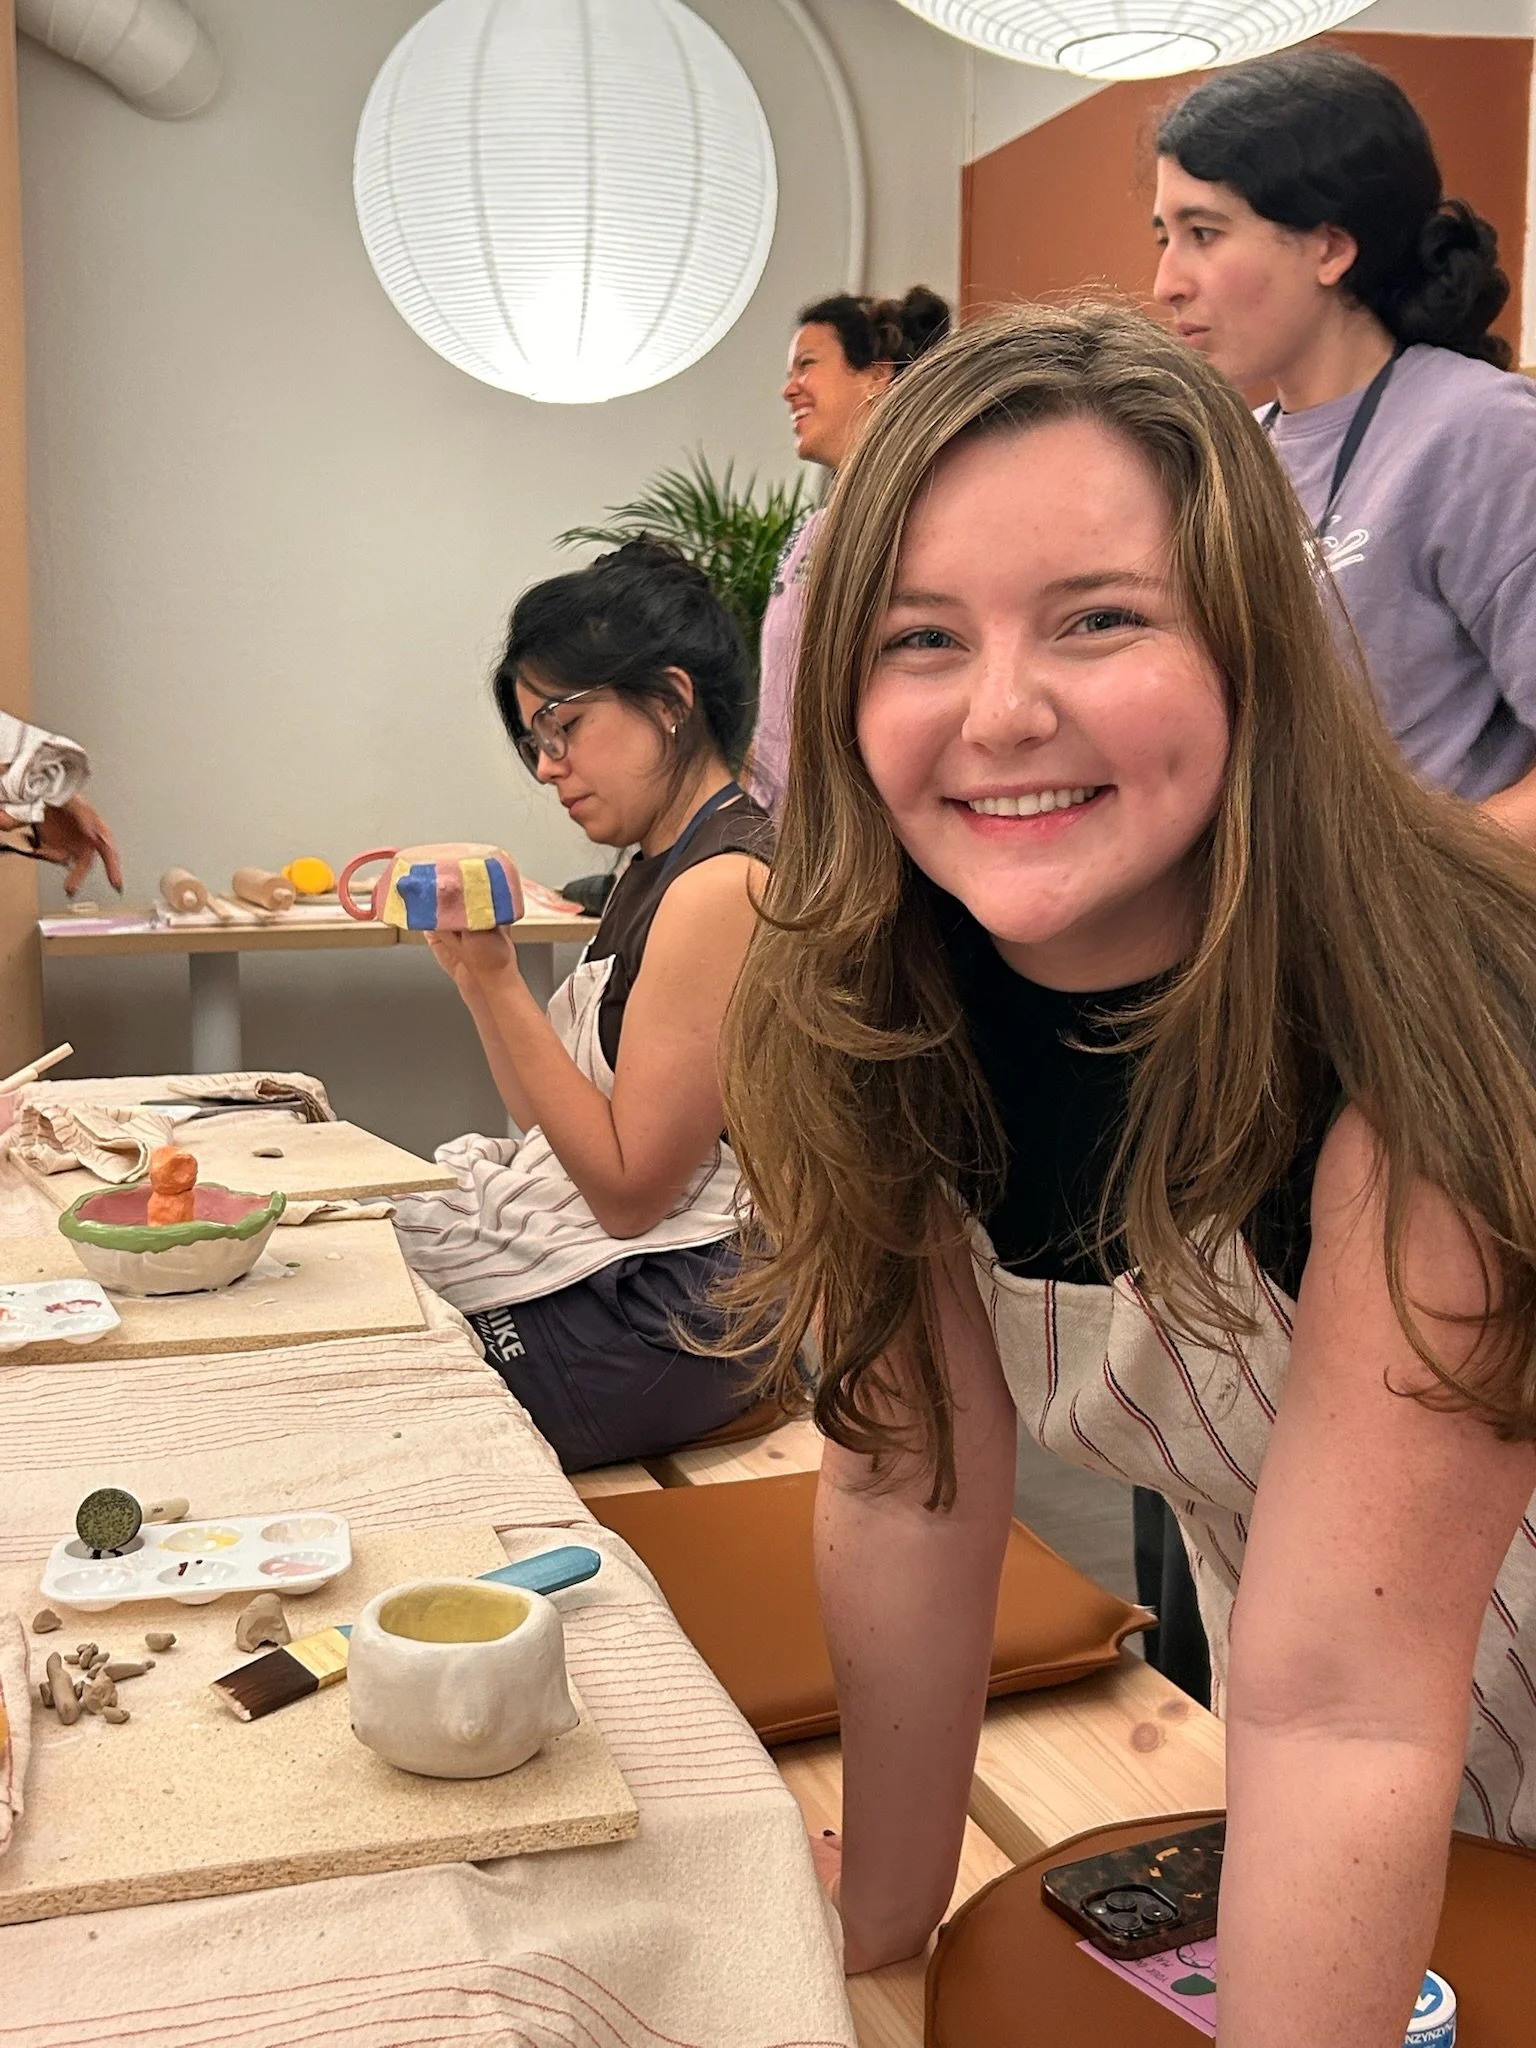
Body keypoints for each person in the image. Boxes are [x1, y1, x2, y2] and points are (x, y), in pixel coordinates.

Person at [717, 300, 1536, 2047]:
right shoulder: (875, 1003)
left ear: (1251, 646)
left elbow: (1346, 1708)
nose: (1002, 711)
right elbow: (905, 1489)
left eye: (1098, 619)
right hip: (1340, 1722)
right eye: (919, 638)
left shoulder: (1433, 1021)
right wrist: (872, 1927)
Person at [394, 540, 773, 1471]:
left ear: (672, 700)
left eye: (563, 725)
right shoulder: (653, 867)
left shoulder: (723, 883)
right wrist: (476, 969)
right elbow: (546, 1126)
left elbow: (628, 1191)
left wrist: (492, 978)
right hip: (646, 1277)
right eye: (535, 742)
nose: (549, 766)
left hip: (677, 1313)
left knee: (381, 1388)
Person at [1153, 49, 1536, 836]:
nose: (1167, 282)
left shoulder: (1479, 433)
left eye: (1203, 232)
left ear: (1330, 248)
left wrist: (1413, 886)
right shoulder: (1237, 453)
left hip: (1426, 946)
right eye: (1164, 234)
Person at [747, 286, 950, 818]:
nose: (789, 390)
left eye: (807, 365)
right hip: (782, 828)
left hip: (858, 828)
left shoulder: (923, 519)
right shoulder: (814, 531)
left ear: (876, 376)